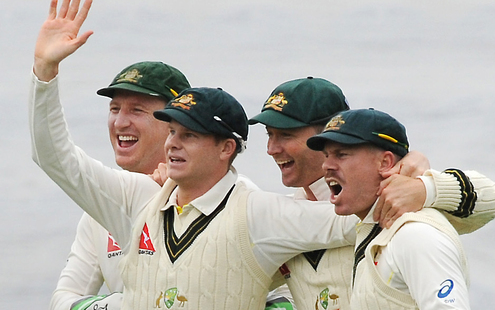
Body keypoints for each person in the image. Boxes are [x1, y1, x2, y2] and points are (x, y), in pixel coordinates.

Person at [31, 0, 354, 308]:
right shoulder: (138, 197)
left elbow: (356, 219)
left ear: (226, 148)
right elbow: (56, 159)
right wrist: (45, 70)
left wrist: (402, 175)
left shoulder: (258, 211)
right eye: (172, 132)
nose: (173, 143)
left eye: (189, 135)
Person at [248, 78, 495, 309]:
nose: (271, 148)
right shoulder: (285, 220)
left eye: (285, 134)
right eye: (269, 135)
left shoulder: (400, 203)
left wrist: (425, 188)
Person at [307, 108, 482, 309]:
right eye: (326, 155)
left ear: (385, 162)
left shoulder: (416, 234)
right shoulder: (374, 227)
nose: (326, 165)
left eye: (341, 154)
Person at [50, 60, 191, 310]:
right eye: (115, 109)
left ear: (177, 123)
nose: (120, 123)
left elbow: (279, 298)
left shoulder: (217, 192)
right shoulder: (101, 209)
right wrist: (120, 305)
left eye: (137, 110)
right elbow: (63, 299)